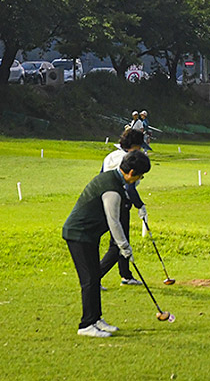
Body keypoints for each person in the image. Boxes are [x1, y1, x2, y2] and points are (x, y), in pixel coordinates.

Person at [63, 150, 151, 337]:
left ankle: (96, 319)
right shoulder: (112, 188)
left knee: (94, 278)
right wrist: (124, 247)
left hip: (88, 235)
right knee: (89, 281)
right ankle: (86, 325)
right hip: (78, 234)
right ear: (130, 172)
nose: (139, 179)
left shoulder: (114, 180)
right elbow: (114, 221)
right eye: (140, 175)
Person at [99, 129, 148, 287]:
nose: (140, 150)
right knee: (118, 245)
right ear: (133, 145)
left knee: (122, 240)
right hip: (120, 203)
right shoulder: (129, 160)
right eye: (139, 147)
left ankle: (126, 275)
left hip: (106, 201)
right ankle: (95, 277)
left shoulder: (110, 156)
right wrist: (140, 205)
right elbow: (130, 187)